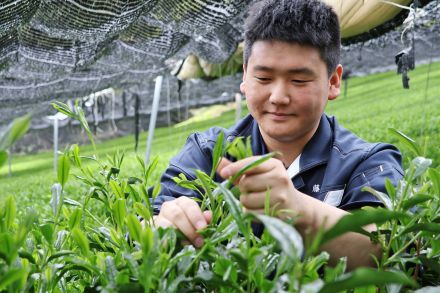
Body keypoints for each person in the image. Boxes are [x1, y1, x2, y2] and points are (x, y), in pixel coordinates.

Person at [152, 0, 403, 270]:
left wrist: (296, 208)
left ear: (333, 82)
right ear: (245, 77)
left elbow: (387, 247)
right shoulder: (207, 152)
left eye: (299, 81)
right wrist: (165, 226)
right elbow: (143, 231)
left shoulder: (367, 161)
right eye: (263, 78)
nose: (279, 97)